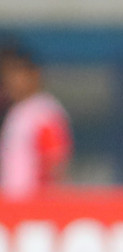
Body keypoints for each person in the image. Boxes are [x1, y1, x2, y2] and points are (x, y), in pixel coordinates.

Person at [0, 39, 72, 200]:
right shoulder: (17, 111)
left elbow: (55, 164)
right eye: (6, 75)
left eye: (16, 73)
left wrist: (50, 206)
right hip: (12, 204)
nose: (11, 81)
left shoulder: (42, 111)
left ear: (34, 73)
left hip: (33, 205)